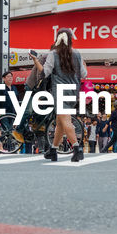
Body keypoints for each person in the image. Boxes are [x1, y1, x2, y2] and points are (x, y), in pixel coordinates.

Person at [42, 28, 87, 162]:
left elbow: (46, 72)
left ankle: (77, 148)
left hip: (60, 90)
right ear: (71, 39)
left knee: (65, 119)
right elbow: (84, 74)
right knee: (60, 121)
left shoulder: (53, 54)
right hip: (73, 90)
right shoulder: (77, 54)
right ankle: (53, 150)